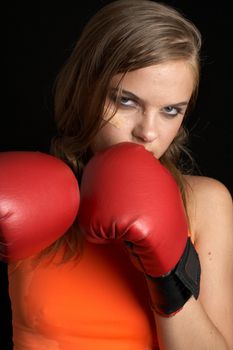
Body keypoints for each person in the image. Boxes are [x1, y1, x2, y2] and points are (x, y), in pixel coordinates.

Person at [1, 0, 233, 349]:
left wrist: (169, 273)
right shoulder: (25, 194)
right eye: (126, 101)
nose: (148, 132)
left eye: (170, 110)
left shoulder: (205, 203)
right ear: (85, 91)